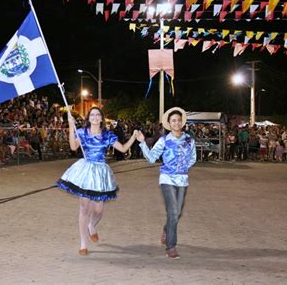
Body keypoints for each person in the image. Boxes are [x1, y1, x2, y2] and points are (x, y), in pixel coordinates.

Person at [56, 107, 138, 256]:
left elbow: (124, 148)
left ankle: (91, 225)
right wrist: (70, 126)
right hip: (85, 171)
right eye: (92, 115)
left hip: (100, 172)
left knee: (99, 209)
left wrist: (133, 136)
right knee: (84, 207)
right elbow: (73, 147)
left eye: (97, 115)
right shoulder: (82, 132)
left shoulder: (107, 135)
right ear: (89, 118)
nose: (94, 117)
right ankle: (83, 243)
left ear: (101, 118)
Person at [136, 107, 197, 259]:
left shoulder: (189, 140)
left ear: (182, 122)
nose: (176, 123)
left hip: (182, 179)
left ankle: (166, 230)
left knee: (177, 213)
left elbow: (193, 158)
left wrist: (183, 167)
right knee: (174, 212)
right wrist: (143, 143)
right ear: (169, 123)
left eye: (178, 120)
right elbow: (151, 158)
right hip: (167, 179)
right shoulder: (164, 141)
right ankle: (171, 246)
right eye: (173, 120)